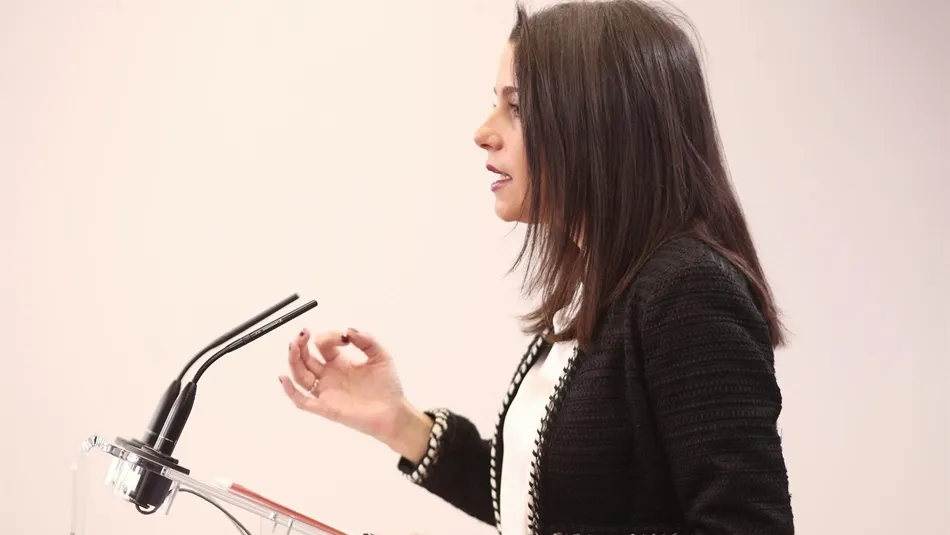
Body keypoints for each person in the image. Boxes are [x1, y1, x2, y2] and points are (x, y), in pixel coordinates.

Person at [278, 1, 795, 534]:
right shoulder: (602, 286)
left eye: (517, 107)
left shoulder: (686, 290)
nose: (484, 132)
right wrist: (401, 423)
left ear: (601, 122)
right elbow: (548, 503)